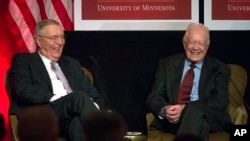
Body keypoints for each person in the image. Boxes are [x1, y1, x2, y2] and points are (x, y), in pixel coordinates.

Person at [8, 19, 105, 141]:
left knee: (77, 123)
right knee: (78, 97)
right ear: (39, 40)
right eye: (54, 38)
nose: (60, 42)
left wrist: (89, 106)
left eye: (62, 37)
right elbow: (23, 89)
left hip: (67, 119)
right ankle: (106, 135)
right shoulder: (24, 61)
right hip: (43, 115)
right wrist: (59, 98)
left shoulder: (72, 64)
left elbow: (96, 97)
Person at [146, 23, 231, 141]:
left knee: (195, 112)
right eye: (192, 42)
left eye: (200, 43)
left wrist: (186, 110)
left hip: (211, 118)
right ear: (184, 43)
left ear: (207, 46)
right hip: (174, 122)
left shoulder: (219, 68)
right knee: (201, 124)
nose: (196, 47)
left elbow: (220, 101)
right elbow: (154, 98)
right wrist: (166, 110)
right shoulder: (167, 64)